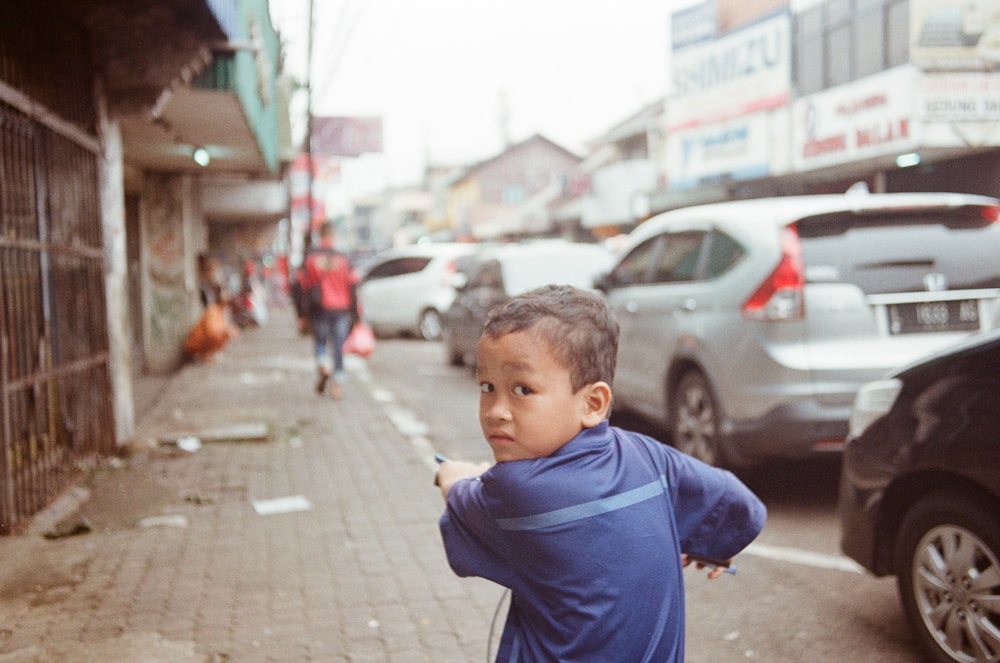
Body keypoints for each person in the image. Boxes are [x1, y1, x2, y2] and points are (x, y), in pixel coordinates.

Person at [435, 284, 767, 663]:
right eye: (487, 386)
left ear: (593, 403)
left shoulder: (517, 492)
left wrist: (451, 474)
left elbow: (461, 498)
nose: (496, 410)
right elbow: (738, 503)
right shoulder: (646, 454)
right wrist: (704, 545)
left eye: (522, 389)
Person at [297, 222, 359, 400]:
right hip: (340, 308)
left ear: (319, 235)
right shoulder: (343, 258)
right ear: (333, 236)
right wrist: (355, 314)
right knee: (338, 346)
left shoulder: (310, 259)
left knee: (321, 341)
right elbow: (352, 285)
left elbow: (302, 287)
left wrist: (302, 314)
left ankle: (323, 364)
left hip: (319, 308)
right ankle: (337, 386)